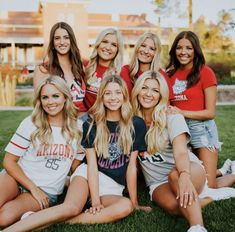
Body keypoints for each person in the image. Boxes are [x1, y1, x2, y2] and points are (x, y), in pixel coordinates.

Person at [2, 75, 148, 232]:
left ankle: (45, 220)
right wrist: (95, 200)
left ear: (125, 95)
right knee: (71, 206)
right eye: (107, 93)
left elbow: (131, 166)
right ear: (101, 97)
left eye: (118, 92)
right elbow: (89, 166)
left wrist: (134, 202)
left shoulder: (133, 124)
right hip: (79, 175)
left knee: (125, 206)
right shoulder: (91, 125)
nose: (113, 98)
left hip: (103, 186)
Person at [131, 70, 235, 232]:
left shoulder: (172, 116)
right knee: (173, 207)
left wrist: (185, 176)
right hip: (158, 181)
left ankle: (197, 227)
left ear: (161, 95)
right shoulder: (130, 121)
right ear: (137, 90)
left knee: (175, 176)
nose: (148, 94)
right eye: (144, 88)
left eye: (155, 90)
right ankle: (213, 192)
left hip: (187, 169)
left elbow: (181, 152)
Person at [0, 76, 83, 228]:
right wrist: (32, 187)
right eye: (45, 97)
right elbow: (8, 161)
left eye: (55, 96)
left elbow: (75, 168)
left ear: (65, 97)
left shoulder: (79, 129)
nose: (50, 102)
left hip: (46, 190)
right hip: (16, 178)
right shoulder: (31, 123)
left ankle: (30, 214)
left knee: (4, 218)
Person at [166, 31, 235, 188]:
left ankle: (233, 172)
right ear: (174, 50)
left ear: (195, 50)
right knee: (189, 176)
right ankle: (221, 170)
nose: (183, 52)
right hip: (178, 131)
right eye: (179, 48)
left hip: (202, 131)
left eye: (189, 48)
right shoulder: (169, 74)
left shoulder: (205, 72)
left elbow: (210, 113)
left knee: (209, 186)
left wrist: (182, 112)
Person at [33, 22, 86, 115]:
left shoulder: (81, 68)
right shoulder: (43, 70)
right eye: (57, 38)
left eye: (66, 37)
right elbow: (39, 105)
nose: (62, 42)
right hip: (58, 124)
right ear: (52, 43)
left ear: (71, 41)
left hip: (81, 123)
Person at [120, 32, 173, 98]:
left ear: (156, 53)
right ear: (137, 47)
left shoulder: (161, 76)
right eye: (143, 46)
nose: (146, 51)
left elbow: (166, 104)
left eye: (152, 49)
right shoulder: (125, 71)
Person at [84, 28, 124, 109]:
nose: (108, 47)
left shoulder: (121, 73)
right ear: (98, 44)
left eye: (114, 45)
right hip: (83, 118)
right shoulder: (84, 66)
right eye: (105, 42)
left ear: (117, 50)